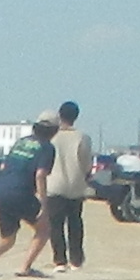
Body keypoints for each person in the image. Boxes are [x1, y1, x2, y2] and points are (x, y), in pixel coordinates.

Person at [39, 100, 95, 269]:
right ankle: (76, 259)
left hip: (54, 184)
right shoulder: (83, 137)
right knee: (75, 223)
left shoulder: (51, 135)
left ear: (59, 114)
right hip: (76, 185)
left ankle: (59, 260)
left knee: (55, 224)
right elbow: (86, 163)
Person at [0, 123, 43, 278]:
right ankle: (25, 267)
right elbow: (40, 175)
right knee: (44, 228)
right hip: (21, 193)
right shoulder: (46, 147)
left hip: (1, 190)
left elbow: (3, 166)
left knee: (7, 238)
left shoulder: (21, 142)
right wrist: (44, 201)